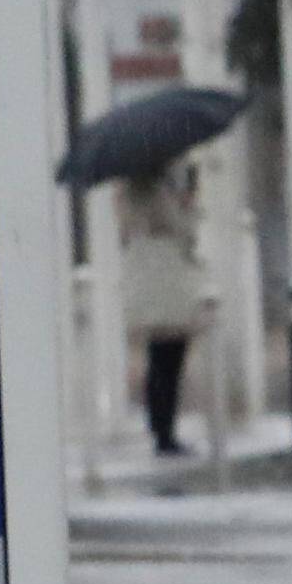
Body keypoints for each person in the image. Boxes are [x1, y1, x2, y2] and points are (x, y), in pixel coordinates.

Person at [116, 161, 208, 457]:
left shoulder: (129, 192)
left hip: (149, 284)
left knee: (159, 359)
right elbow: (184, 232)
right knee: (169, 360)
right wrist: (189, 204)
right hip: (167, 285)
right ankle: (164, 431)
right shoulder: (159, 192)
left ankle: (160, 426)